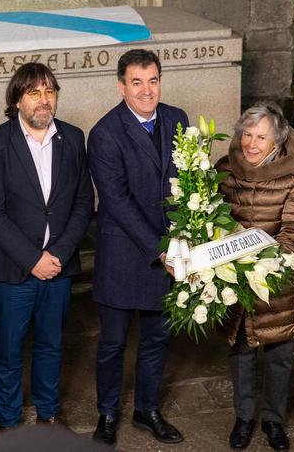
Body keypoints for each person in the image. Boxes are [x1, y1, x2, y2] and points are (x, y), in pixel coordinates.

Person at [0, 63, 94, 433]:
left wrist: (56, 256)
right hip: (14, 271)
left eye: (50, 92)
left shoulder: (73, 138)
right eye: (34, 93)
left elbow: (82, 203)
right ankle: (9, 422)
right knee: (9, 350)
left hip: (58, 268)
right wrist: (33, 260)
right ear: (16, 100)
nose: (44, 101)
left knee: (51, 345)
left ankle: (49, 413)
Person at [87, 49, 188, 446]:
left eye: (153, 80)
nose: (147, 90)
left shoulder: (176, 118)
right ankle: (108, 414)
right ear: (121, 86)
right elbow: (116, 201)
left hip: (171, 252)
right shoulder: (105, 133)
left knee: (157, 339)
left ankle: (147, 410)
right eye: (137, 82)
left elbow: (188, 181)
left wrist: (188, 234)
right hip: (125, 254)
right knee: (112, 343)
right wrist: (162, 250)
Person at [215, 103, 294, 451]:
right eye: (247, 134)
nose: (252, 143)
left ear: (276, 142)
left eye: (261, 137)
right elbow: (213, 220)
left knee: (280, 354)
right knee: (241, 351)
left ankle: (273, 420)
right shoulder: (225, 169)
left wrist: (269, 259)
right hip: (237, 280)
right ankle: (244, 418)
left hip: (279, 279)